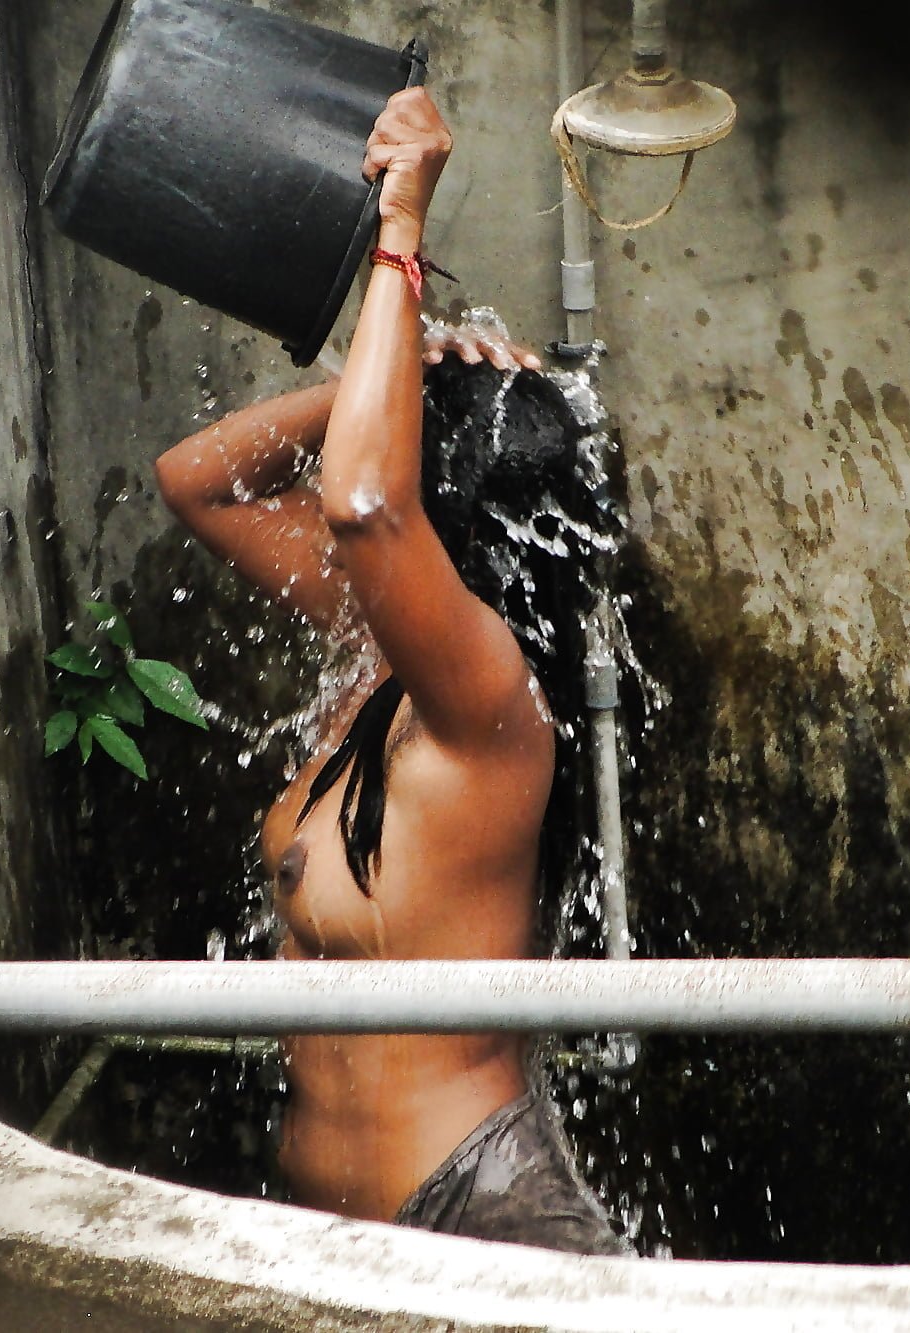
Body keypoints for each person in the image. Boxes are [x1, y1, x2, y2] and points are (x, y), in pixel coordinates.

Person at [155, 86, 628, 1256]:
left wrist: (400, 240)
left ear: (447, 512)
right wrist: (405, 361)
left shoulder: (491, 703)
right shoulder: (382, 657)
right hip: (345, 1231)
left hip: (480, 1217)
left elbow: (365, 499)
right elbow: (195, 479)